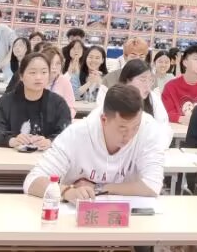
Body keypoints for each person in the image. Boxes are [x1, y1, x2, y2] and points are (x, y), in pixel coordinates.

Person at [23, 84, 168, 199]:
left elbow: (152, 186)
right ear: (104, 120)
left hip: (127, 216)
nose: (129, 135)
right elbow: (32, 181)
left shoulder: (149, 129)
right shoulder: (76, 134)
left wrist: (99, 188)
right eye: (122, 128)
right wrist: (67, 192)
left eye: (135, 127)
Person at [0, 52, 71, 148]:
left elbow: (68, 135)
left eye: (44, 72)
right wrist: (11, 140)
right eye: (32, 72)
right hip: (12, 155)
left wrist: (50, 142)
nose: (38, 77)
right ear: (21, 76)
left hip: (47, 155)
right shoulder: (5, 102)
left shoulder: (58, 103)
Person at [99, 58, 169, 125]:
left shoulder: (152, 98)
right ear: (127, 80)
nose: (148, 86)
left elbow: (163, 125)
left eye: (150, 80)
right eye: (143, 80)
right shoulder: (113, 99)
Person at [161, 44, 197, 124]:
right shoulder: (170, 86)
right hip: (178, 129)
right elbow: (165, 112)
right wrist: (182, 119)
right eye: (195, 59)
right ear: (185, 62)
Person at [40, 45, 76, 118]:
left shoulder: (64, 81)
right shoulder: (35, 80)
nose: (54, 67)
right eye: (50, 63)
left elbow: (71, 108)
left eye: (58, 63)